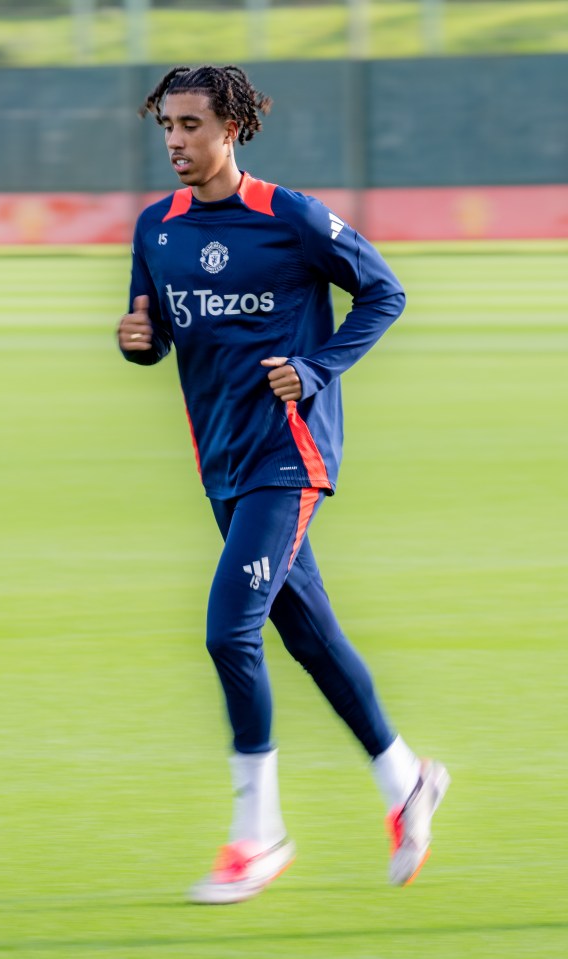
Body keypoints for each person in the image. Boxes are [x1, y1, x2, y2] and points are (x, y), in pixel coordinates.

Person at [117, 64, 449, 905]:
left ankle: (257, 837)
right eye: (167, 126)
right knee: (308, 636)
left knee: (230, 631)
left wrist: (316, 365)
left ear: (231, 128)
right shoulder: (156, 229)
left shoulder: (291, 217)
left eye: (191, 125)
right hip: (221, 463)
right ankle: (407, 779)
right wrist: (136, 341)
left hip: (289, 458)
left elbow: (384, 292)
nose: (175, 141)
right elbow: (156, 333)